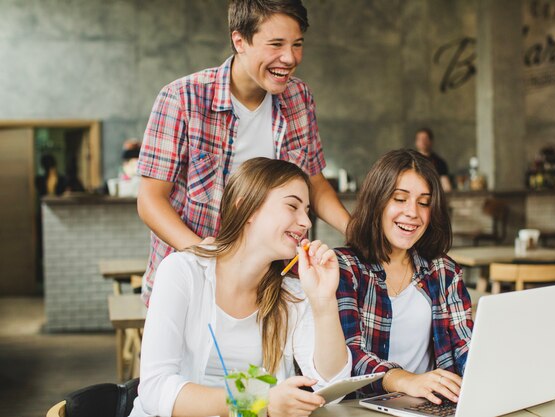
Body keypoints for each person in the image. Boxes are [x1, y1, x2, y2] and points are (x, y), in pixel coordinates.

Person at [137, 0, 350, 304]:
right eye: (276, 44)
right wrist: (206, 253)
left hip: (269, 282)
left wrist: (355, 230)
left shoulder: (299, 98)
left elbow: (314, 184)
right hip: (190, 282)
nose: (289, 58)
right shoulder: (183, 98)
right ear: (240, 41)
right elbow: (150, 200)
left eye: (297, 44)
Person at [130, 158, 350, 417]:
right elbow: (155, 390)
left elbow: (332, 385)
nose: (306, 222)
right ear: (247, 208)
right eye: (292, 206)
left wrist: (324, 301)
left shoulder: (293, 294)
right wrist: (258, 400)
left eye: (307, 210)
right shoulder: (182, 272)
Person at [335, 149, 473, 403]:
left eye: (424, 203)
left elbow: (465, 344)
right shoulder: (345, 267)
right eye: (399, 199)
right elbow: (345, 356)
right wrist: (405, 379)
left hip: (431, 406)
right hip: (361, 409)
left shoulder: (444, 271)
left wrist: (486, 370)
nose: (413, 212)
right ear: (376, 202)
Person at [415, 128, 452, 192]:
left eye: (425, 139)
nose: (422, 142)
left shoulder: (440, 162)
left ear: (431, 141)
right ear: (416, 142)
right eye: (420, 139)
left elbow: (446, 187)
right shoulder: (410, 161)